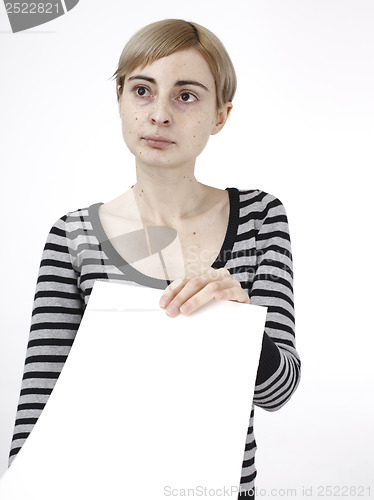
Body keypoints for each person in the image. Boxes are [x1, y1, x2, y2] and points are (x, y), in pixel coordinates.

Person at [8, 19, 301, 498]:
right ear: (121, 101)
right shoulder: (73, 235)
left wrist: (240, 323)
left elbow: (278, 392)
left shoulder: (260, 217)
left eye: (186, 96)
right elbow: (38, 407)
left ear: (220, 115)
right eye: (143, 90)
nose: (160, 113)